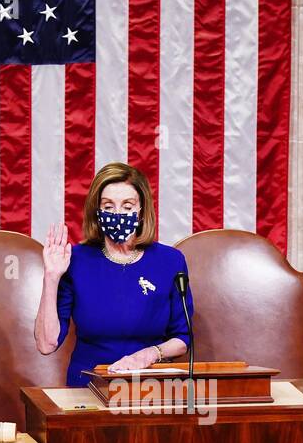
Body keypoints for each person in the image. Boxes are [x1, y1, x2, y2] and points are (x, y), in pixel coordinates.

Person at [34, 161, 195, 386]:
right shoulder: (76, 260)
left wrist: (148, 355)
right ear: (97, 212)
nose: (118, 214)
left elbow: (182, 338)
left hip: (150, 388)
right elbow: (46, 343)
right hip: (88, 388)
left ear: (141, 212)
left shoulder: (170, 261)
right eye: (108, 207)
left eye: (127, 206)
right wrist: (51, 276)